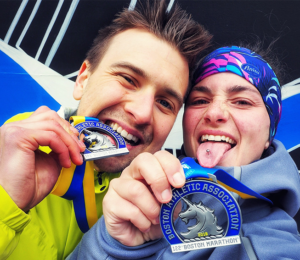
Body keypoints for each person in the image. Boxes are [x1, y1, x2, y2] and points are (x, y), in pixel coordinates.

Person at [0, 1, 212, 259]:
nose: (143, 112)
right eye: (128, 79)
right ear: (83, 79)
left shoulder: (166, 210)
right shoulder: (9, 154)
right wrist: (6, 203)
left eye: (165, 103)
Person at [69, 45, 300, 259]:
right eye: (200, 100)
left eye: (241, 102)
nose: (214, 113)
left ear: (270, 131)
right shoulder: (135, 195)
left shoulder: (274, 242)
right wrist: (111, 244)